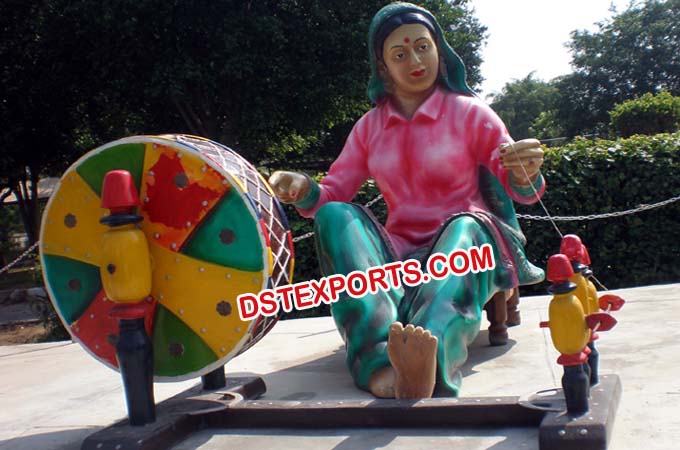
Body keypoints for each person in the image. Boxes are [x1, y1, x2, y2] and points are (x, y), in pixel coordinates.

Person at [269, 2, 545, 399]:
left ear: (439, 49)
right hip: (398, 249)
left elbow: (522, 188)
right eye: (399, 54)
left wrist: (524, 171)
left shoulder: (470, 114)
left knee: (464, 228)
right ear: (383, 67)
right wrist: (303, 189)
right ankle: (380, 360)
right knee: (333, 216)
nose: (415, 60)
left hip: (467, 240)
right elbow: (331, 194)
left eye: (423, 47)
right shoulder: (369, 127)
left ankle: (428, 358)